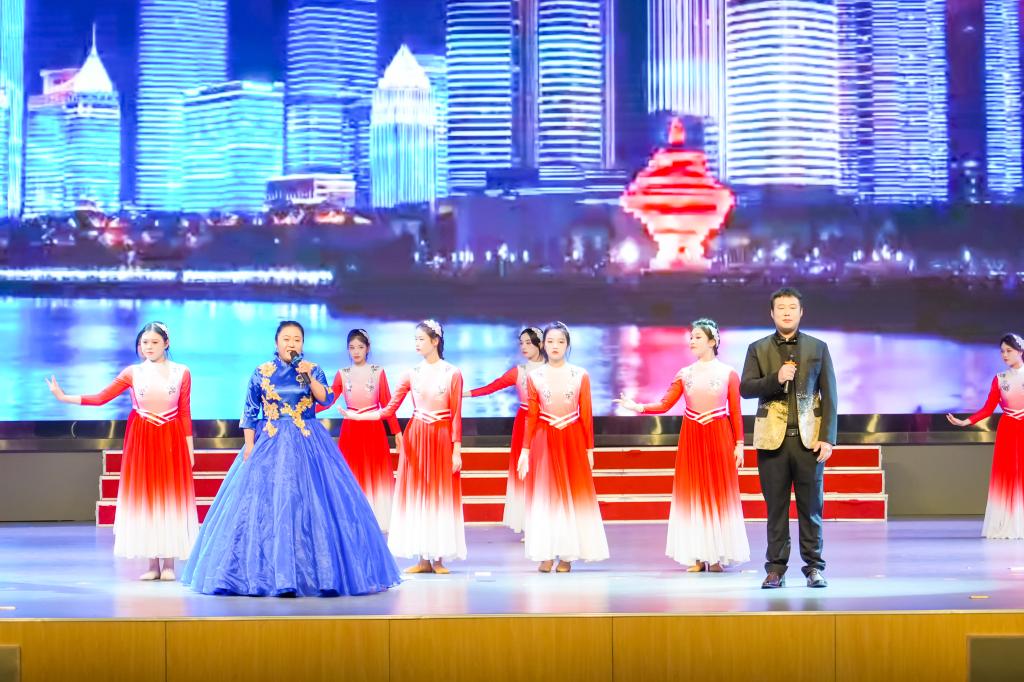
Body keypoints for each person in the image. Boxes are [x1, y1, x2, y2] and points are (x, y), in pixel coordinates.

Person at [181, 321, 400, 597]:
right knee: (266, 507)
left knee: (313, 504)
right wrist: (249, 446)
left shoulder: (312, 369)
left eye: (297, 339)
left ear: (302, 344)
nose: (291, 344)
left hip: (309, 441)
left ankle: (320, 575)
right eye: (286, 339)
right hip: (270, 441)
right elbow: (250, 411)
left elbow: (325, 399)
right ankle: (261, 576)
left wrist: (309, 377)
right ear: (276, 343)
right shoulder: (262, 371)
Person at [46, 321, 198, 581]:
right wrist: (65, 397)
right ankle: (152, 564)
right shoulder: (132, 373)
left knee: (170, 497)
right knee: (146, 498)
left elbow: (184, 412)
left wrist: (189, 448)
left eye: (154, 342)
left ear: (166, 343)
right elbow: (101, 398)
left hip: (171, 438)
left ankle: (169, 564)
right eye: (144, 343)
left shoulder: (181, 372)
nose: (149, 347)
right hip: (142, 438)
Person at [616, 318, 749, 571]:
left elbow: (735, 412)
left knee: (717, 493)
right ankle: (697, 556)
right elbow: (664, 404)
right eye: (691, 337)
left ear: (713, 341)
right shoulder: (685, 374)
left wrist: (739, 444)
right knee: (694, 494)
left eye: (698, 337)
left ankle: (716, 556)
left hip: (719, 436)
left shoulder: (728, 374)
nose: (692, 341)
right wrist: (638, 406)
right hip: (693, 437)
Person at [345, 320, 466, 574]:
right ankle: (422, 559)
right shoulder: (411, 373)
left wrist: (456, 449)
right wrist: (358, 416)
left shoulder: (452, 373)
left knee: (440, 494)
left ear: (435, 341)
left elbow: (456, 414)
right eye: (415, 339)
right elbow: (389, 409)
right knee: (418, 494)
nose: (417, 344)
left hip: (441, 436)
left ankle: (439, 557)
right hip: (417, 437)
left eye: (421, 339)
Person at [740, 287, 836, 589]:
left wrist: (828, 438)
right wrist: (776, 378)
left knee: (811, 509)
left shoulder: (818, 347)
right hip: (772, 442)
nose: (786, 312)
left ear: (801, 312)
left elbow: (830, 395)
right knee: (776, 509)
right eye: (780, 307)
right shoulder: (757, 348)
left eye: (792, 307)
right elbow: (746, 388)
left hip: (809, 442)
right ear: (772, 313)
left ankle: (814, 567)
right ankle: (775, 569)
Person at [517, 322, 609, 573]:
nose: (555, 346)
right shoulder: (534, 376)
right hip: (544, 439)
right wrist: (525, 450)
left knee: (570, 496)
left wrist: (589, 450)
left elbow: (586, 414)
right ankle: (545, 553)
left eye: (560, 341)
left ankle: (567, 555)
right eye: (550, 341)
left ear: (567, 345)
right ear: (543, 345)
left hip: (572, 438)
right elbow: (532, 415)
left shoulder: (580, 375)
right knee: (545, 497)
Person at [463, 327, 546, 534]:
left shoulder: (553, 370)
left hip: (547, 423)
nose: (524, 347)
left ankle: (548, 524)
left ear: (541, 344)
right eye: (521, 343)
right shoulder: (519, 371)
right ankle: (530, 525)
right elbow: (492, 387)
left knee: (546, 472)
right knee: (527, 471)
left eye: (528, 343)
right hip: (525, 423)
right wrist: (463, 394)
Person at [316, 328, 399, 532]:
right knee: (351, 472)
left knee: (375, 472)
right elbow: (328, 400)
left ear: (368, 348)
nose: (356, 351)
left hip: (373, 428)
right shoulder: (342, 374)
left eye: (360, 347)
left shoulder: (378, 372)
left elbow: (388, 404)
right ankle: (351, 518)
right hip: (351, 429)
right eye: (352, 347)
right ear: (347, 350)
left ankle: (377, 518)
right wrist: (304, 409)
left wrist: (397, 432)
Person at [946, 333, 1024, 539]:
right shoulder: (1000, 379)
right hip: (1008, 429)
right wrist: (966, 421)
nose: (1004, 355)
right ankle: (1006, 523)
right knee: (1007, 475)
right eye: (1002, 351)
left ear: (1020, 351)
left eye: (1009, 351)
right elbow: (988, 408)